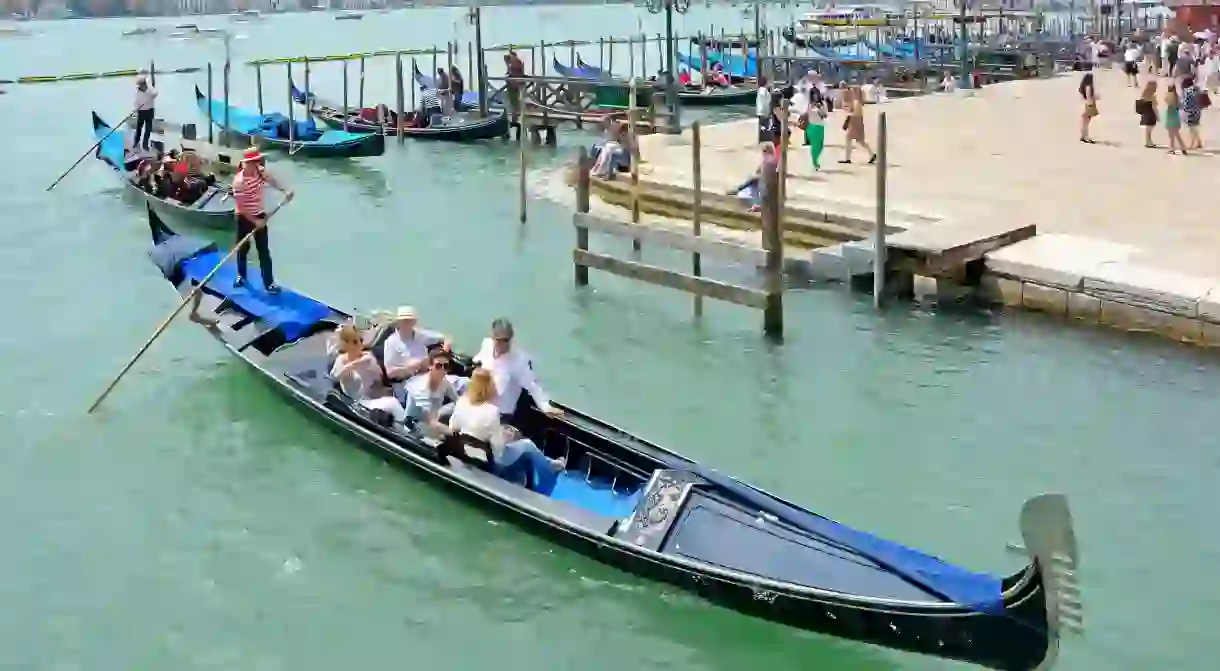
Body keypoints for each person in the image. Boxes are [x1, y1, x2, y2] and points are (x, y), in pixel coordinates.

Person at [448, 368, 565, 494]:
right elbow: (498, 449)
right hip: (491, 459)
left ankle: (548, 463)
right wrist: (505, 440)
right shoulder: (491, 411)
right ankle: (549, 468)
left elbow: (453, 428)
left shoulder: (462, 402)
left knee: (520, 446)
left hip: (465, 451)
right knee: (527, 444)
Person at [471, 318, 562, 422]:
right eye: (498, 340)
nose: (502, 345)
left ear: (511, 338)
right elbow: (477, 361)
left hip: (501, 413)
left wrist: (545, 406)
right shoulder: (486, 345)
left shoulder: (518, 360)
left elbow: (532, 386)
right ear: (492, 337)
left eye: (506, 340)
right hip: (481, 404)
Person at [231, 147, 293, 293]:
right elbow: (241, 207)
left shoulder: (259, 171)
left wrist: (284, 191)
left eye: (257, 161)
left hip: (259, 215)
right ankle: (241, 276)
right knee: (242, 249)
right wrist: (254, 221)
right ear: (246, 163)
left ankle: (269, 283)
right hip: (244, 217)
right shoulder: (239, 182)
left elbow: (271, 180)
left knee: (264, 251)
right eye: (253, 162)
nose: (257, 164)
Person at [331, 324, 410, 424]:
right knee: (392, 403)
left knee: (404, 392)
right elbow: (335, 377)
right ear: (346, 344)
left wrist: (374, 366)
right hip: (359, 402)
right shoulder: (342, 361)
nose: (360, 344)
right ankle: (407, 429)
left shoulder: (367, 356)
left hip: (374, 395)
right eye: (355, 342)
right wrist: (355, 364)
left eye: (361, 340)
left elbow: (379, 378)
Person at [383, 305, 451, 386]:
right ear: (398, 322)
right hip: (406, 382)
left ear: (414, 322)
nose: (407, 323)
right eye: (404, 320)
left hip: (429, 374)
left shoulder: (421, 335)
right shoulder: (391, 342)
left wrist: (443, 352)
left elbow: (446, 338)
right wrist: (408, 368)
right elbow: (390, 373)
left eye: (410, 320)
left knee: (462, 382)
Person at [403, 347, 461, 436]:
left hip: (432, 422)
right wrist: (456, 434)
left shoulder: (445, 383)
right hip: (414, 427)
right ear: (430, 366)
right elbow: (431, 422)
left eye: (446, 366)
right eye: (438, 366)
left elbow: (458, 402)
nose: (442, 370)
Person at [839, 86, 876, 164]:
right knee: (860, 141)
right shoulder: (857, 101)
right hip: (856, 123)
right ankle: (871, 154)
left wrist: (849, 116)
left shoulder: (857, 102)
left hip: (855, 123)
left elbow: (856, 114)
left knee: (849, 139)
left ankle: (847, 158)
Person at [133, 74, 157, 151]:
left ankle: (145, 145)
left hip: (149, 111)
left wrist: (149, 93)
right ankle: (136, 143)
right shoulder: (138, 92)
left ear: (144, 84)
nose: (139, 86)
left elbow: (155, 93)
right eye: (139, 85)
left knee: (148, 129)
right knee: (138, 128)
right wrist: (135, 109)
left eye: (140, 84)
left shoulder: (150, 89)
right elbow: (136, 102)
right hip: (141, 112)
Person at [1182, 76, 1205, 150]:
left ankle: (1192, 144)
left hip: (1190, 113)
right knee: (1194, 127)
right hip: (1198, 112)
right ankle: (1199, 143)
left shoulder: (1187, 91)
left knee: (1191, 129)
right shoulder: (1198, 89)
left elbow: (1186, 103)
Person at [1164, 84, 1187, 155]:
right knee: (1175, 134)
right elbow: (1180, 106)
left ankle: (1177, 148)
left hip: (1171, 115)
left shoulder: (1170, 95)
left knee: (1172, 134)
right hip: (1175, 115)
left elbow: (1167, 101)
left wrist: (1166, 96)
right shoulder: (1177, 96)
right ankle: (1177, 148)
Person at [504, 51, 526, 123]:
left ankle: (515, 119)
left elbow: (519, 72)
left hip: (515, 85)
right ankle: (515, 118)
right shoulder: (514, 63)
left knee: (515, 103)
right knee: (514, 103)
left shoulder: (517, 63)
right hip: (513, 85)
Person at [1136, 80, 1159, 148]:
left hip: (1145, 113)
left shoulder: (1144, 94)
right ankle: (1148, 141)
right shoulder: (1152, 96)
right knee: (1149, 128)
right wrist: (1157, 115)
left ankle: (1148, 141)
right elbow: (1154, 106)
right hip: (1150, 113)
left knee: (1148, 129)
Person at [1079, 73, 1098, 144]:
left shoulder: (1083, 86)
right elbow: (1089, 96)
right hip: (1089, 105)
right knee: (1086, 122)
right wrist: (1091, 103)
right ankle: (1086, 136)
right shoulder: (1088, 86)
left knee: (1084, 122)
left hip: (1086, 104)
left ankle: (1083, 136)